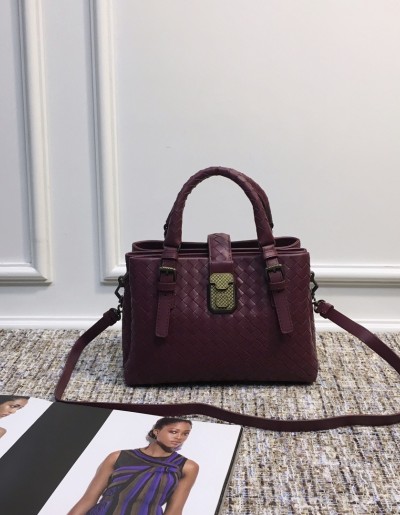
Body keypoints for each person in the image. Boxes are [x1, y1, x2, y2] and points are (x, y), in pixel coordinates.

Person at [67, 417, 199, 515]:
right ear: (157, 431)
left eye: (185, 434)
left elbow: (174, 511)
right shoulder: (118, 456)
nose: (179, 437)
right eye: (174, 432)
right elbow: (89, 499)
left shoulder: (187, 467)